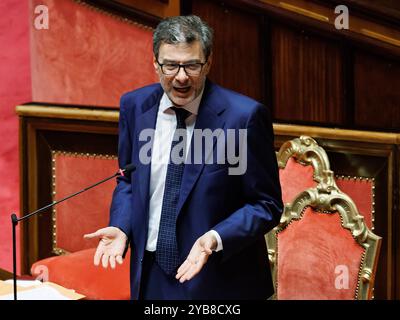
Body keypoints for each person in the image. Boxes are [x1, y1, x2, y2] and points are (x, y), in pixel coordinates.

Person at [84, 15, 283, 300]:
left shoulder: (243, 118)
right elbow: (128, 180)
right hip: (151, 274)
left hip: (219, 281)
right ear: (155, 63)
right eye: (170, 65)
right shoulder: (135, 106)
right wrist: (122, 225)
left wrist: (215, 238)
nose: (180, 76)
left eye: (192, 65)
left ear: (208, 63)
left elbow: (266, 204)